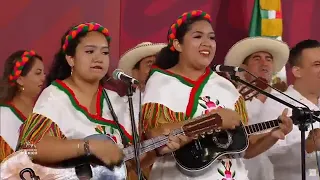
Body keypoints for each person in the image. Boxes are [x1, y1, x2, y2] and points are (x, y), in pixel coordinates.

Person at [141, 10, 293, 180]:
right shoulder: (161, 81)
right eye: (198, 36)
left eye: (211, 37)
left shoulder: (226, 86)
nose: (207, 43)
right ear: (177, 44)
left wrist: (271, 136)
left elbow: (242, 148)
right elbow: (156, 137)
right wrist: (213, 121)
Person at [13, 22, 134, 179]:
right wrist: (85, 146)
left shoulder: (115, 101)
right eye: (90, 51)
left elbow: (130, 163)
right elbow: (30, 148)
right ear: (71, 59)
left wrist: (158, 150)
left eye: (105, 53)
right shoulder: (55, 96)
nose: (98, 58)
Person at [251, 39, 320, 180]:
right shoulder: (277, 103)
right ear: (297, 71)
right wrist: (307, 146)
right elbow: (266, 154)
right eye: (317, 64)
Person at [224, 36, 290, 180]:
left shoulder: (285, 99)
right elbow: (237, 124)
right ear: (245, 67)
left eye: (268, 59)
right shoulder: (231, 95)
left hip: (273, 172)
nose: (264, 63)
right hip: (237, 170)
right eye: (256, 58)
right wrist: (260, 95)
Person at [117, 42, 166, 179]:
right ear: (134, 73)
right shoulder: (122, 107)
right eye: (149, 63)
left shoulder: (173, 101)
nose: (155, 68)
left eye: (158, 64)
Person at [0, 50, 45, 162]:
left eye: (44, 73)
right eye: (38, 73)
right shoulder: (4, 115)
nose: (43, 78)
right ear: (20, 80)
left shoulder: (42, 112)